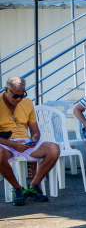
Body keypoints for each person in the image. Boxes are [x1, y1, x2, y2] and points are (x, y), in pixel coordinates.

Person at [0, 77, 60, 205]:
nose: (19, 99)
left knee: (54, 149)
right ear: (6, 90)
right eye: (16, 96)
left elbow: (35, 129)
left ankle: (33, 186)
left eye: (22, 95)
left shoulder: (27, 103)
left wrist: (34, 139)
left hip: (25, 143)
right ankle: (18, 188)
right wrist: (12, 144)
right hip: (5, 144)